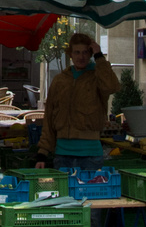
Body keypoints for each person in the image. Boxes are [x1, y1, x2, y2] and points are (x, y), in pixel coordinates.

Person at [35, 32, 118, 171]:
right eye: (77, 52)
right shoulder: (60, 81)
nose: (81, 56)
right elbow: (49, 117)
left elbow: (112, 86)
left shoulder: (98, 78)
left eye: (85, 52)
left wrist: (99, 56)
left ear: (90, 54)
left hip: (91, 155)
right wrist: (42, 152)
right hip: (62, 154)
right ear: (70, 54)